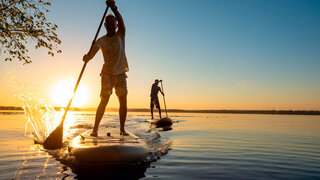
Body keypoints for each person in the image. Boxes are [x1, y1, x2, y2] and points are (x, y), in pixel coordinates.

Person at [83, 0, 129, 136]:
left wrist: (114, 8)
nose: (110, 26)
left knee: (123, 100)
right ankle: (95, 130)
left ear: (115, 25)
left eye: (112, 24)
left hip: (120, 74)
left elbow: (121, 21)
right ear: (104, 26)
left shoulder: (121, 34)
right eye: (107, 24)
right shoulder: (101, 40)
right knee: (104, 100)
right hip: (107, 74)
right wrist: (86, 57)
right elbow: (90, 55)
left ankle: (122, 129)